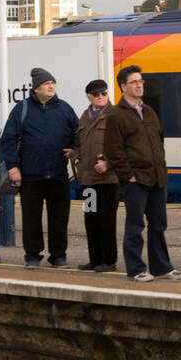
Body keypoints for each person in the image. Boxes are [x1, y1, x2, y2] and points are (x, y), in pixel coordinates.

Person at [104, 64, 181, 282]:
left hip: (157, 176)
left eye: (141, 81)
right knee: (135, 225)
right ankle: (135, 268)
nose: (139, 85)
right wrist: (127, 175)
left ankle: (161, 266)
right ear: (123, 86)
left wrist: (161, 164)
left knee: (159, 224)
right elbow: (113, 149)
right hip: (135, 179)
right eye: (134, 82)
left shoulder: (149, 111)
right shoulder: (116, 115)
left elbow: (159, 140)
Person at [0, 67, 78, 267]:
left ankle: (59, 255)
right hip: (30, 174)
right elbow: (8, 139)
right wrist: (13, 166)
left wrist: (75, 150)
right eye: (46, 84)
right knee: (31, 218)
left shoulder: (65, 109)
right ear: (36, 89)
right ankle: (32, 255)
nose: (51, 86)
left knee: (59, 218)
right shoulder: (22, 109)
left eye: (53, 83)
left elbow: (78, 134)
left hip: (59, 174)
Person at [75, 79, 119, 272]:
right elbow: (79, 143)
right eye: (96, 94)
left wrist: (108, 163)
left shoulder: (115, 115)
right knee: (91, 219)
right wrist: (75, 155)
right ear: (89, 97)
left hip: (108, 180)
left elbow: (121, 146)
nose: (101, 97)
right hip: (89, 181)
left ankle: (109, 261)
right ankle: (95, 259)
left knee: (107, 220)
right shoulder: (85, 116)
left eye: (104, 93)